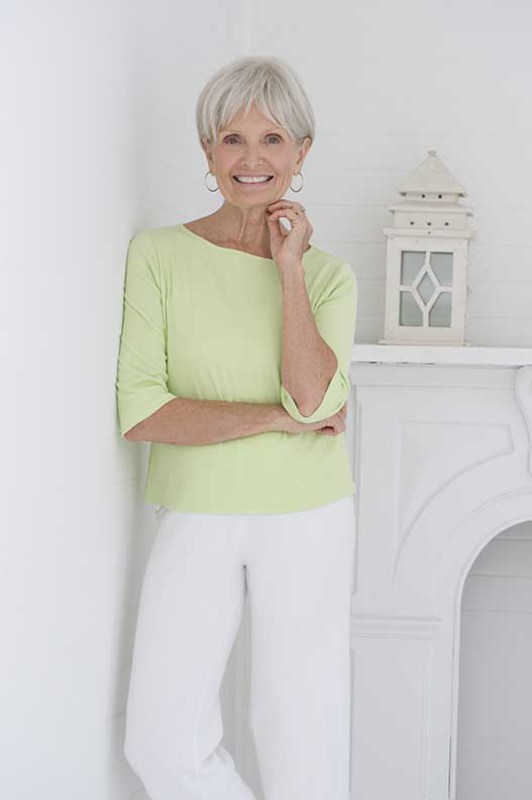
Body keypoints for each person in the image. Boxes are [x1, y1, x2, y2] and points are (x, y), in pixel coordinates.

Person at [115, 55, 358, 800]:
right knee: (160, 743)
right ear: (207, 150)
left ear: (302, 152)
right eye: (232, 139)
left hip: (309, 517)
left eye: (272, 139)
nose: (252, 159)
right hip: (195, 510)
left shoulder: (327, 277)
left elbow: (314, 399)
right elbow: (144, 412)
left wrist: (289, 269)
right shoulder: (160, 255)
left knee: (301, 733)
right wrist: (275, 419)